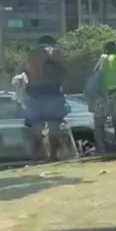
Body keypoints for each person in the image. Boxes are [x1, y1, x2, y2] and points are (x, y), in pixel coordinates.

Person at [21, 34, 71, 162]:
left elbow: (22, 73)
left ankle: (36, 157)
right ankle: (53, 155)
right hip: (51, 90)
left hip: (33, 92)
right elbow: (67, 68)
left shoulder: (29, 55)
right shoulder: (52, 50)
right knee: (54, 124)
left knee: (36, 125)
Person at [89, 40, 116, 156]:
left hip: (105, 92)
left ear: (106, 50)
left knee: (99, 121)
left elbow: (96, 72)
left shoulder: (104, 58)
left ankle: (102, 148)